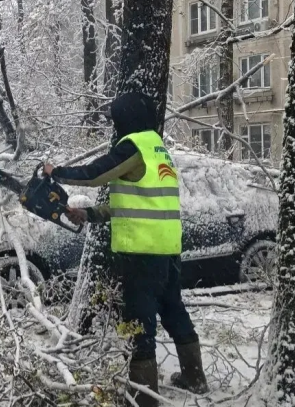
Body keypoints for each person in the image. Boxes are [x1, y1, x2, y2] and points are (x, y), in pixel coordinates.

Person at [44, 92, 208, 407]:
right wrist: (90, 215)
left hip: (142, 253)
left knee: (138, 322)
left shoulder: (133, 146)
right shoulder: (158, 149)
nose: (114, 127)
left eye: (116, 121)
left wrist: (57, 172)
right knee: (174, 311)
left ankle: (143, 397)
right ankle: (194, 377)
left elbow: (95, 174)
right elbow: (135, 204)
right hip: (167, 249)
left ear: (125, 119)